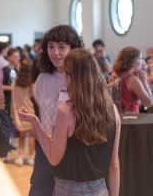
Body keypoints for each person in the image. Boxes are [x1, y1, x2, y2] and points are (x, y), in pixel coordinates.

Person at [19, 49, 121, 196]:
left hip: (69, 190)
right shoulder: (112, 110)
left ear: (70, 77)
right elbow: (114, 163)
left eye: (65, 73)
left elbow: (53, 158)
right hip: (100, 189)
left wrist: (35, 122)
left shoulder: (66, 111)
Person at [27, 25, 84, 196]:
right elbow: (40, 114)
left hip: (73, 151)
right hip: (45, 150)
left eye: (61, 47)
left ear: (73, 49)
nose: (55, 52)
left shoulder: (82, 79)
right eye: (51, 46)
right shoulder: (43, 79)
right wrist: (37, 131)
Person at [111, 46, 153, 113]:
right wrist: (144, 80)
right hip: (131, 118)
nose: (142, 62)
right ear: (133, 61)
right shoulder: (132, 80)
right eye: (140, 58)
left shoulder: (116, 74)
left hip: (118, 115)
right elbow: (149, 103)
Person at [11, 63, 35, 166]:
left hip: (19, 113)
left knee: (21, 136)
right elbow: (34, 98)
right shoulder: (31, 84)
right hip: (30, 111)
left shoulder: (15, 83)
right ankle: (30, 158)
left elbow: (14, 100)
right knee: (31, 136)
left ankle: (20, 157)